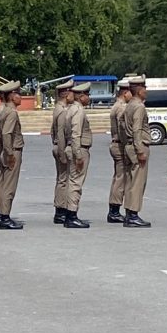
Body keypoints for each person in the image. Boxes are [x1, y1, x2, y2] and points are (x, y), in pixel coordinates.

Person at [0, 80, 24, 230]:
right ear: (11, 96)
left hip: (3, 150)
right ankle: (5, 217)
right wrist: (9, 154)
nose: (20, 97)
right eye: (18, 94)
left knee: (1, 183)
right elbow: (6, 133)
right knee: (9, 185)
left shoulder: (2, 111)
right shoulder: (11, 113)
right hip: (12, 150)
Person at [121, 76, 152, 228]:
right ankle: (133, 214)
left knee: (130, 180)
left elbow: (122, 125)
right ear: (140, 91)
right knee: (138, 182)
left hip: (129, 145)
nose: (146, 91)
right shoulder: (139, 107)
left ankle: (129, 212)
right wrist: (140, 150)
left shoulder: (129, 105)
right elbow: (137, 129)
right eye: (144, 89)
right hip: (137, 146)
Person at [63, 82, 93, 228]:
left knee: (72, 181)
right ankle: (72, 215)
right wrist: (78, 155)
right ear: (81, 96)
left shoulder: (70, 109)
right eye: (87, 95)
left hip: (73, 148)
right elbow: (76, 134)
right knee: (76, 183)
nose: (89, 98)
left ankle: (70, 214)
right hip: (79, 149)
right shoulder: (78, 111)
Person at [107, 79, 132, 223]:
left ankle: (114, 209)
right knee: (121, 179)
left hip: (116, 144)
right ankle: (114, 210)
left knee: (118, 177)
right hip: (120, 145)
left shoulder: (116, 105)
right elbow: (123, 128)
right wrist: (127, 143)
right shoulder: (121, 107)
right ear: (125, 92)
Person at [51, 79, 75, 224]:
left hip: (58, 146)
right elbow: (60, 133)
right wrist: (62, 153)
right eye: (72, 92)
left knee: (63, 179)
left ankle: (61, 208)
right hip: (62, 147)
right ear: (66, 94)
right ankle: (60, 210)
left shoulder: (59, 108)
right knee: (63, 180)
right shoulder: (62, 111)